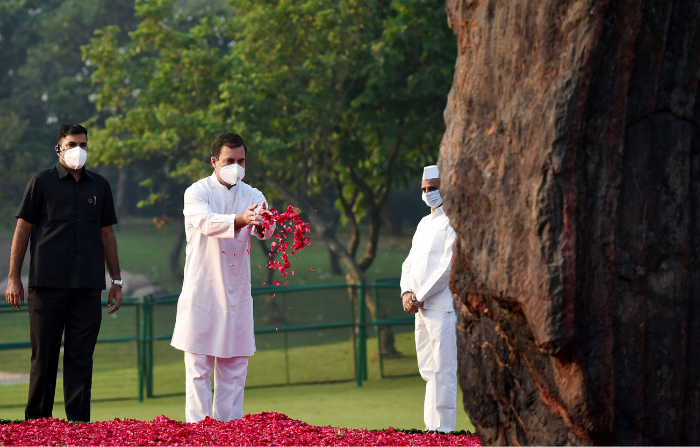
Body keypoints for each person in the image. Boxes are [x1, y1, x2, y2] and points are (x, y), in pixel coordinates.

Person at [5, 123, 123, 422]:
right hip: (46, 286)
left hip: (86, 286)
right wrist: (13, 277)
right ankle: (37, 426)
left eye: (83, 144)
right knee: (43, 359)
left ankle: (79, 427)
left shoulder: (100, 186)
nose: (78, 150)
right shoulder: (41, 182)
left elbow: (107, 234)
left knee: (80, 359)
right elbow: (22, 230)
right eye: (72, 144)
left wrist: (116, 280)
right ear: (59, 148)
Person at [171, 132, 274, 423]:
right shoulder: (196, 192)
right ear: (214, 161)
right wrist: (242, 219)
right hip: (201, 291)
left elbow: (265, 229)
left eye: (241, 161)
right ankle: (200, 435)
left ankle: (230, 435)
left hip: (236, 293)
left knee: (234, 371)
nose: (236, 167)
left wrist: (265, 224)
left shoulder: (253, 195)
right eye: (230, 161)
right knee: (198, 371)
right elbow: (205, 222)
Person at [400, 164, 457, 433]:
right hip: (420, 309)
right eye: (424, 189)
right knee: (428, 371)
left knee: (444, 371)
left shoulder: (454, 221)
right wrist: (406, 293)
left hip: (442, 308)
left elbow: (447, 267)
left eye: (433, 188)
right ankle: (431, 430)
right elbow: (409, 263)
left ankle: (444, 430)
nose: (428, 193)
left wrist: (419, 295)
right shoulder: (424, 223)